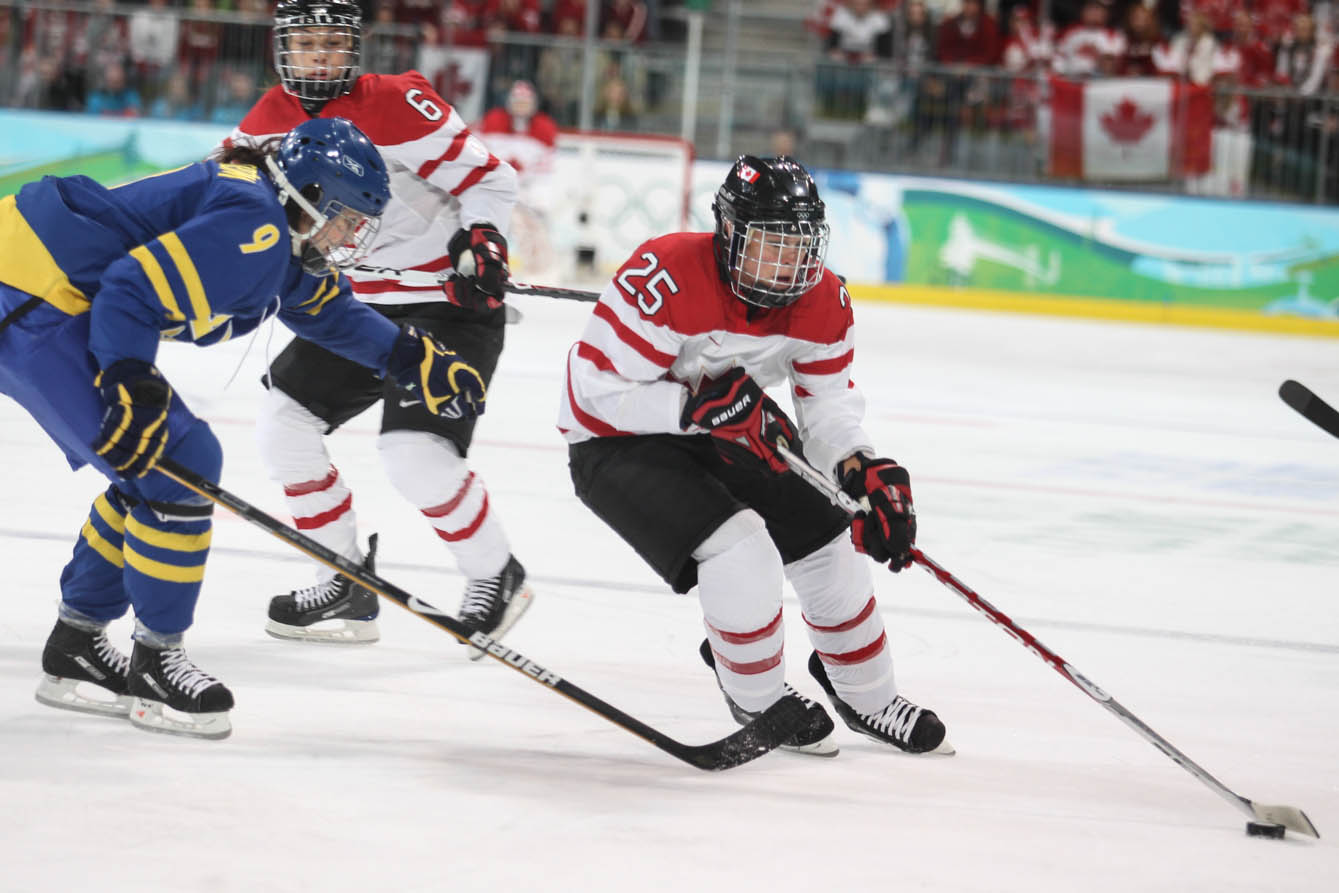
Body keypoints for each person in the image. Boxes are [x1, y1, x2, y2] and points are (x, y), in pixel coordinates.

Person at [0, 117, 487, 740]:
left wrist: (408, 359)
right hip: (29, 294)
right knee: (183, 460)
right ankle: (156, 662)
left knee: (155, 466)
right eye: (345, 219)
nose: (347, 236)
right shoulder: (253, 223)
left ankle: (77, 647)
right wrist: (130, 380)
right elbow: (129, 290)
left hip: (33, 282)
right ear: (312, 195)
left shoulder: (265, 217)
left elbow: (323, 309)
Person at [559, 156, 953, 757]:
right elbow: (595, 393)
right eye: (770, 244)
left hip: (725, 427)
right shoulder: (664, 273)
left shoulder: (823, 301)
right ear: (728, 232)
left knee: (831, 538)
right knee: (742, 551)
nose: (786, 264)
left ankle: (866, 695)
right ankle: (758, 697)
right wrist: (691, 410)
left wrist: (859, 466)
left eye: (799, 246)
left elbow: (827, 408)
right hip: (616, 442)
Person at [223, 0, 533, 650]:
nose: (319, 58)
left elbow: (490, 179)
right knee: (283, 425)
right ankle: (342, 576)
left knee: (412, 453)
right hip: (355, 307)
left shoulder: (399, 101)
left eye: (332, 44)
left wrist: (483, 241)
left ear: (354, 49)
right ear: (282, 52)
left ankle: (494, 574)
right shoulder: (260, 129)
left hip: (448, 304)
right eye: (305, 45)